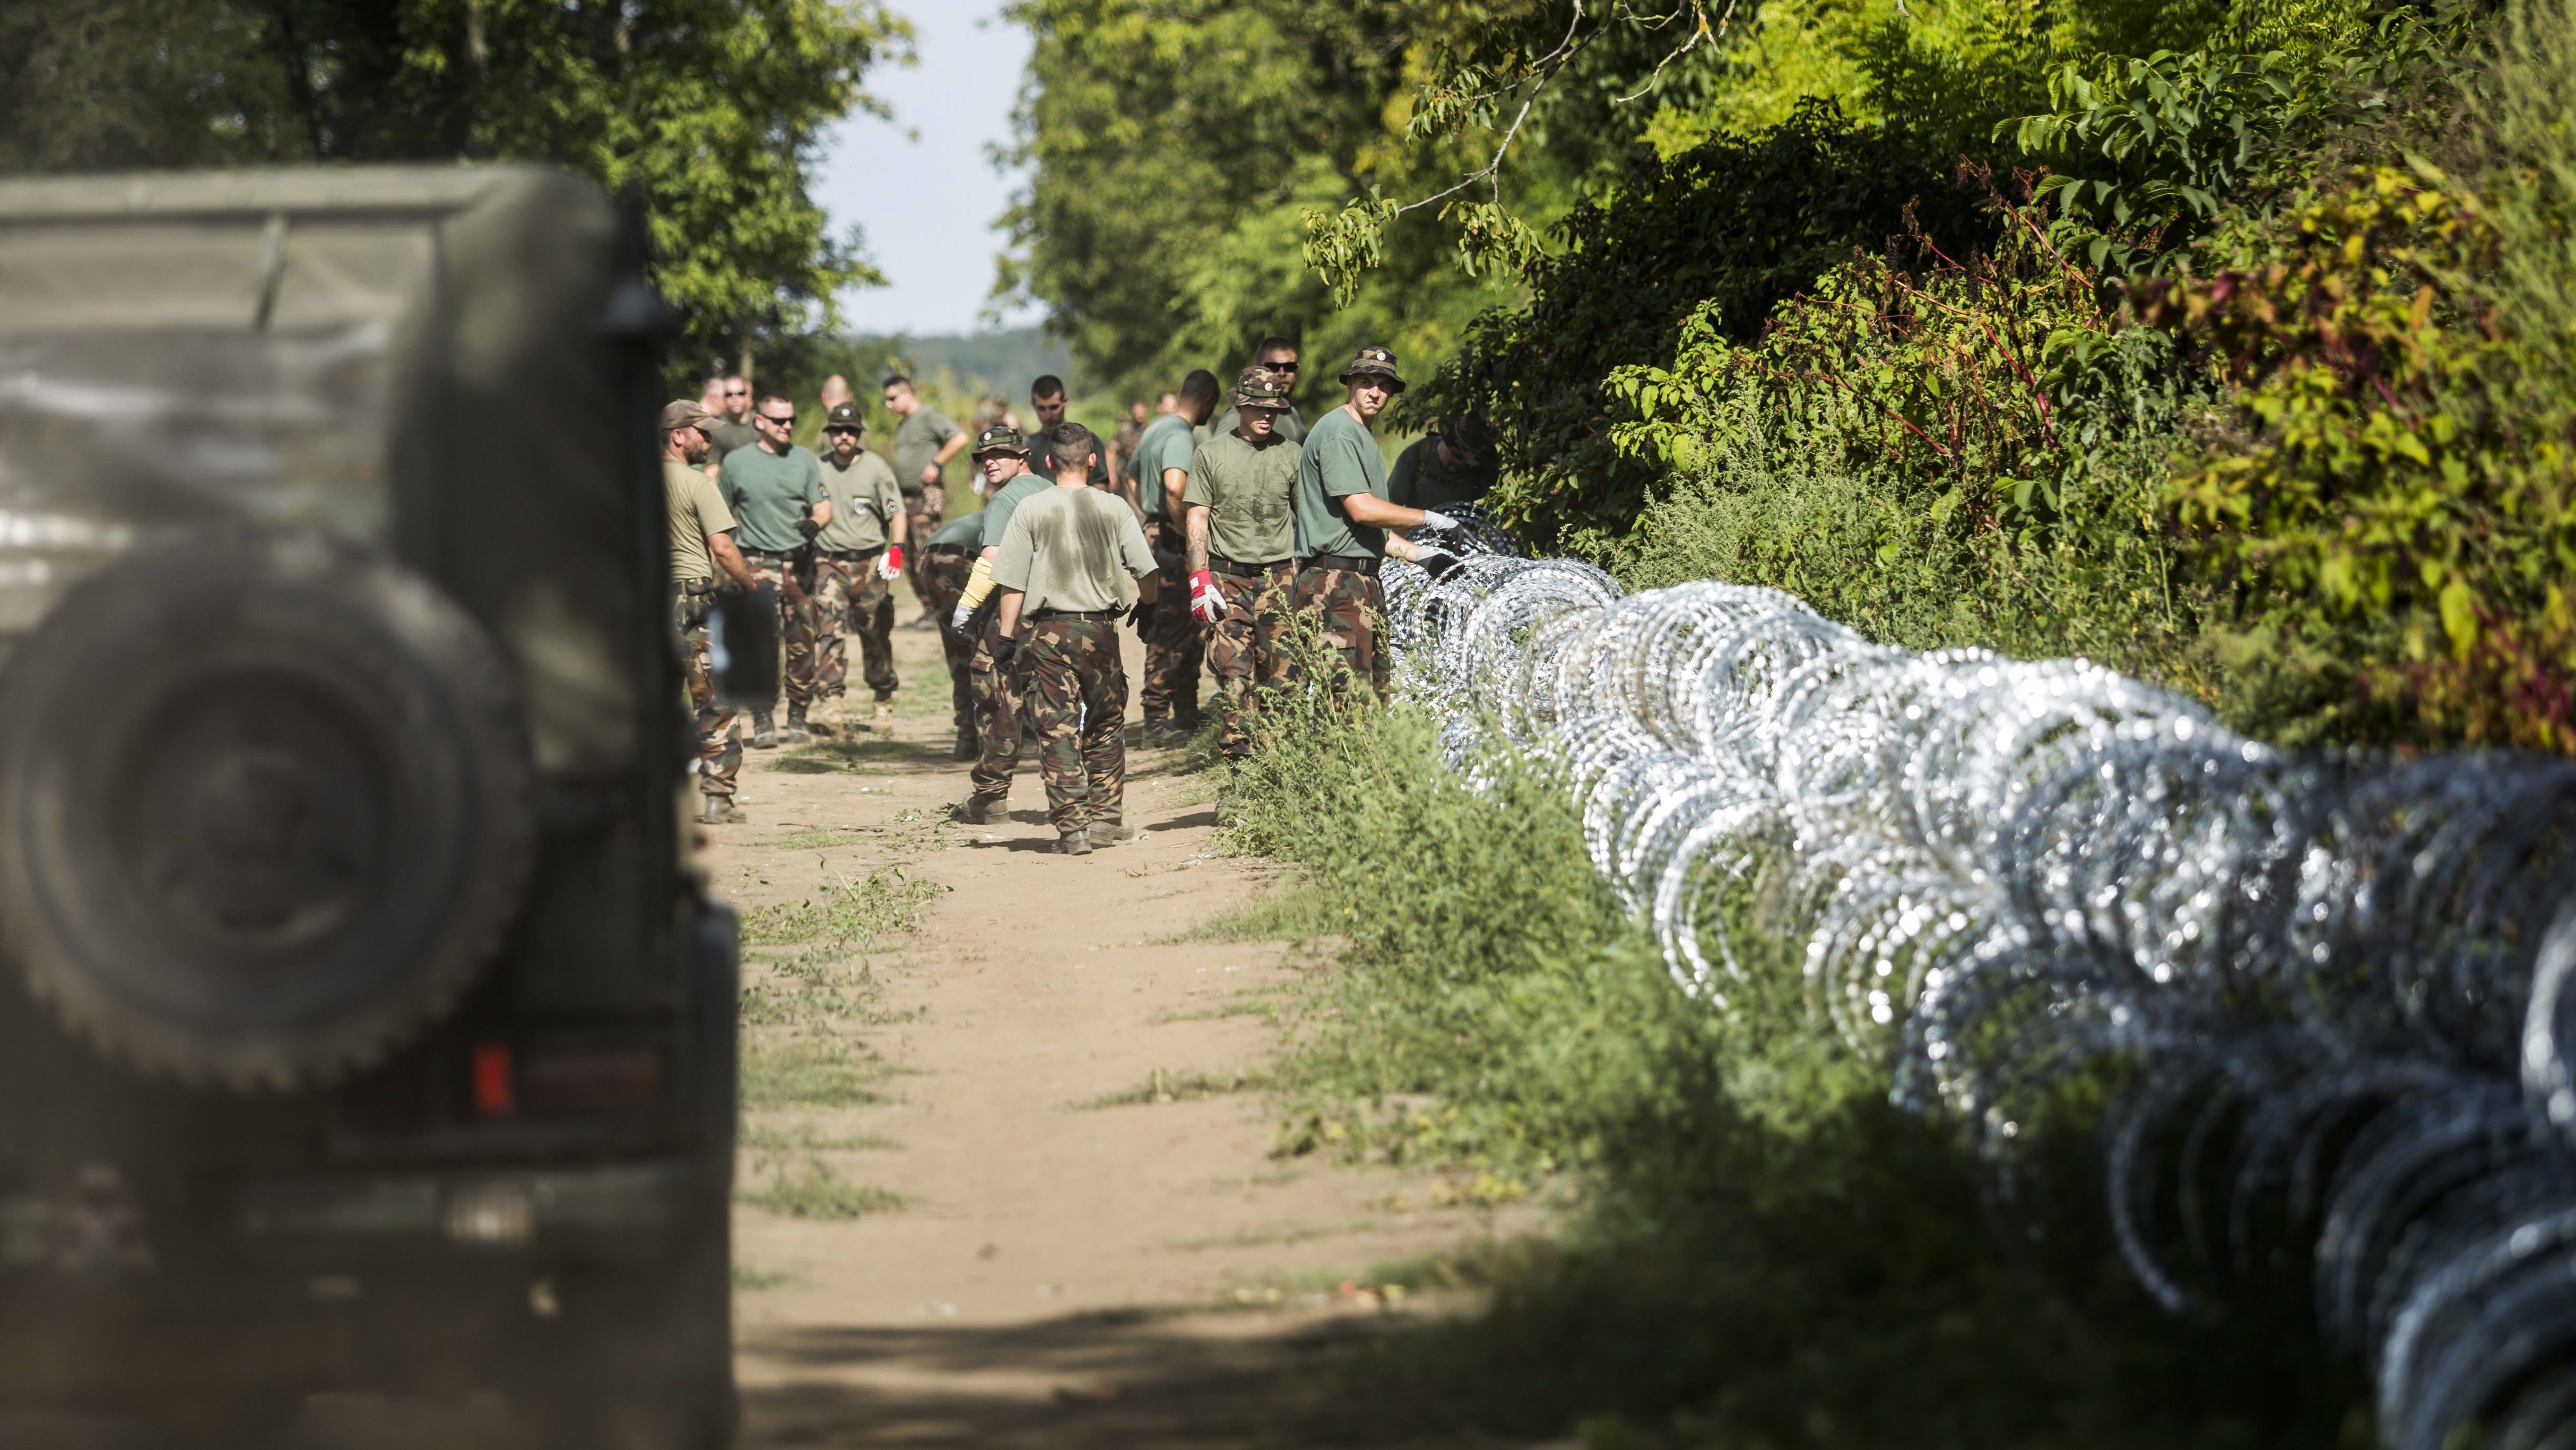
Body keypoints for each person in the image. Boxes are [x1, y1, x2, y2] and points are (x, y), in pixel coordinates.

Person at [990, 423, 1159, 854]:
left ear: (1048, 462)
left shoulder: (1030, 508)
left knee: (1057, 728)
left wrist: (1006, 638)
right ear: (1092, 461)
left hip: (1049, 632)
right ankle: (1105, 820)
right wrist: (1150, 607)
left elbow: (1011, 582)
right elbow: (1148, 570)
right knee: (1105, 723)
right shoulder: (1114, 507)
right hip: (1100, 631)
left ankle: (1073, 830)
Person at [1292, 347, 1460, 700]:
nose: (1375, 392)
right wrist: (1430, 518)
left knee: (1370, 695)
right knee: (1344, 700)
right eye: (1366, 382)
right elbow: (1363, 511)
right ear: (1350, 384)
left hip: (1357, 581)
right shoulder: (1339, 433)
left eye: (1383, 385)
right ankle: (1333, 758)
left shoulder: (1358, 434)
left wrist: (1423, 556)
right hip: (1335, 585)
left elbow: (1369, 532)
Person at [1183, 366, 1300, 763]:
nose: (1267, 415)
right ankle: (1240, 772)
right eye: (1257, 408)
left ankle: (1279, 767)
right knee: (1234, 677)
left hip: (1279, 578)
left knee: (1282, 680)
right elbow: (1197, 517)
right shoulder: (1210, 454)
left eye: (1274, 409)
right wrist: (1199, 580)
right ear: (1240, 406)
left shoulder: (1291, 454)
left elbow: (1306, 519)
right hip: (1226, 578)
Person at [944, 426, 1055, 823]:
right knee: (1054, 705)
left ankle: (991, 797)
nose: (989, 461)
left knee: (997, 699)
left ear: (1021, 455)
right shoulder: (1050, 488)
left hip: (1013, 612)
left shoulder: (1004, 499)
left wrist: (967, 606)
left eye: (1000, 454)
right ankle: (1074, 798)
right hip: (1058, 612)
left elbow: (991, 559)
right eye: (982, 457)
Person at [717, 392, 831, 747]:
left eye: (791, 420)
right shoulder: (736, 463)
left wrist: (814, 523)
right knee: (759, 642)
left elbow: (824, 507)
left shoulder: (804, 460)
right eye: (779, 420)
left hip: (799, 562)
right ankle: (763, 717)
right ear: (760, 422)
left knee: (803, 642)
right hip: (755, 561)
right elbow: (718, 516)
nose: (787, 426)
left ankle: (798, 716)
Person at [662, 399, 757, 824]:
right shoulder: (697, 483)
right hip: (690, 603)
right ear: (677, 436)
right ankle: (718, 798)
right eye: (701, 432)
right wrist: (749, 586)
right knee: (715, 702)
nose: (709, 439)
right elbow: (722, 547)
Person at [810, 400, 907, 738]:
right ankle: (831, 704)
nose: (844, 436)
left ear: (859, 434)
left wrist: (897, 548)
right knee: (828, 630)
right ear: (830, 434)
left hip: (869, 562)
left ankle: (882, 701)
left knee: (875, 630)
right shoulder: (816, 468)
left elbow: (897, 512)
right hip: (829, 562)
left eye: (850, 431)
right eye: (838, 431)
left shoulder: (876, 468)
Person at [1133, 368, 1219, 744]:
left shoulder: (1155, 429)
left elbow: (1131, 475)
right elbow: (1174, 487)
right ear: (1208, 403)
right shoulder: (1181, 436)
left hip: (1156, 530)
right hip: (1171, 538)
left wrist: (1148, 515)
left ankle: (1185, 712)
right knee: (1172, 626)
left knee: (1187, 625)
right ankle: (1155, 717)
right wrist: (1189, 535)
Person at [883, 374, 966, 612]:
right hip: (906, 499)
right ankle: (929, 609)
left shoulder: (927, 416)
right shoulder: (904, 423)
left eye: (892, 398)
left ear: (907, 393)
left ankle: (943, 607)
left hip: (925, 497)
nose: (888, 405)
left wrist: (937, 463)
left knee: (927, 554)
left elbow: (960, 438)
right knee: (908, 556)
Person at [918, 513, 986, 760]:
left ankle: (967, 739)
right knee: (987, 649)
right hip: (959, 560)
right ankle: (992, 738)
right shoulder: (1036, 501)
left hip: (929, 560)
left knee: (960, 651)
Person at [1029, 375, 1120, 508]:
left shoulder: (1087, 441)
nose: (1048, 415)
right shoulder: (1028, 446)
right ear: (1033, 405)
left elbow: (1101, 486)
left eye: (1054, 407)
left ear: (1065, 402)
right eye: (1042, 408)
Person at [1386, 413, 1500, 512]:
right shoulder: (1416, 456)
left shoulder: (1484, 468)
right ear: (1455, 449)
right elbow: (1391, 510)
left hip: (1466, 532)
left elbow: (1494, 516)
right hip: (1416, 533)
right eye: (1467, 461)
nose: (1471, 466)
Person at [1212, 336, 1308, 444]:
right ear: (1258, 368)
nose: (1282, 373)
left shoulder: (1292, 413)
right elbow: (1217, 456)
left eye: (1290, 367)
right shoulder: (1241, 415)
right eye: (1273, 367)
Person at [704, 374, 757, 473]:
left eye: (740, 393)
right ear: (724, 398)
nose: (734, 398)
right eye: (729, 395)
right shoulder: (716, 429)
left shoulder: (763, 423)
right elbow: (712, 470)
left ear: (748, 396)